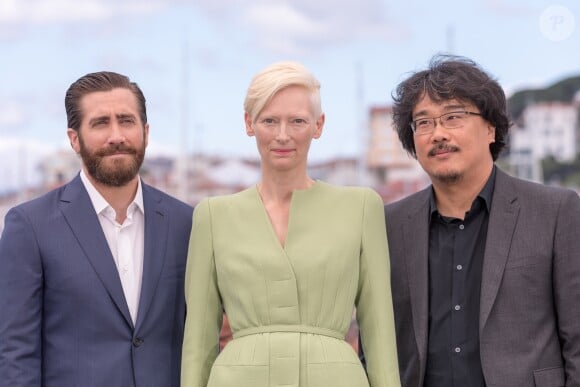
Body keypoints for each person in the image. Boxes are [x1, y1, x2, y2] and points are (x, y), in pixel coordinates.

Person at [180, 61, 400, 387]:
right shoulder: (212, 216)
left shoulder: (361, 208)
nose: (283, 135)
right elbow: (198, 342)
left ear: (318, 125)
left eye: (297, 120)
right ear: (249, 123)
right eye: (270, 120)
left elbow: (380, 333)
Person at [385, 55, 580, 386]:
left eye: (453, 117)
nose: (438, 133)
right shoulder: (391, 224)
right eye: (424, 122)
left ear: (491, 128)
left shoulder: (555, 212)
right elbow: (378, 343)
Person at [0, 71, 193, 386]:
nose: (116, 135)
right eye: (101, 123)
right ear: (74, 139)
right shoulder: (30, 227)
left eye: (127, 121)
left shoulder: (185, 223)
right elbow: (15, 354)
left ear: (145, 131)